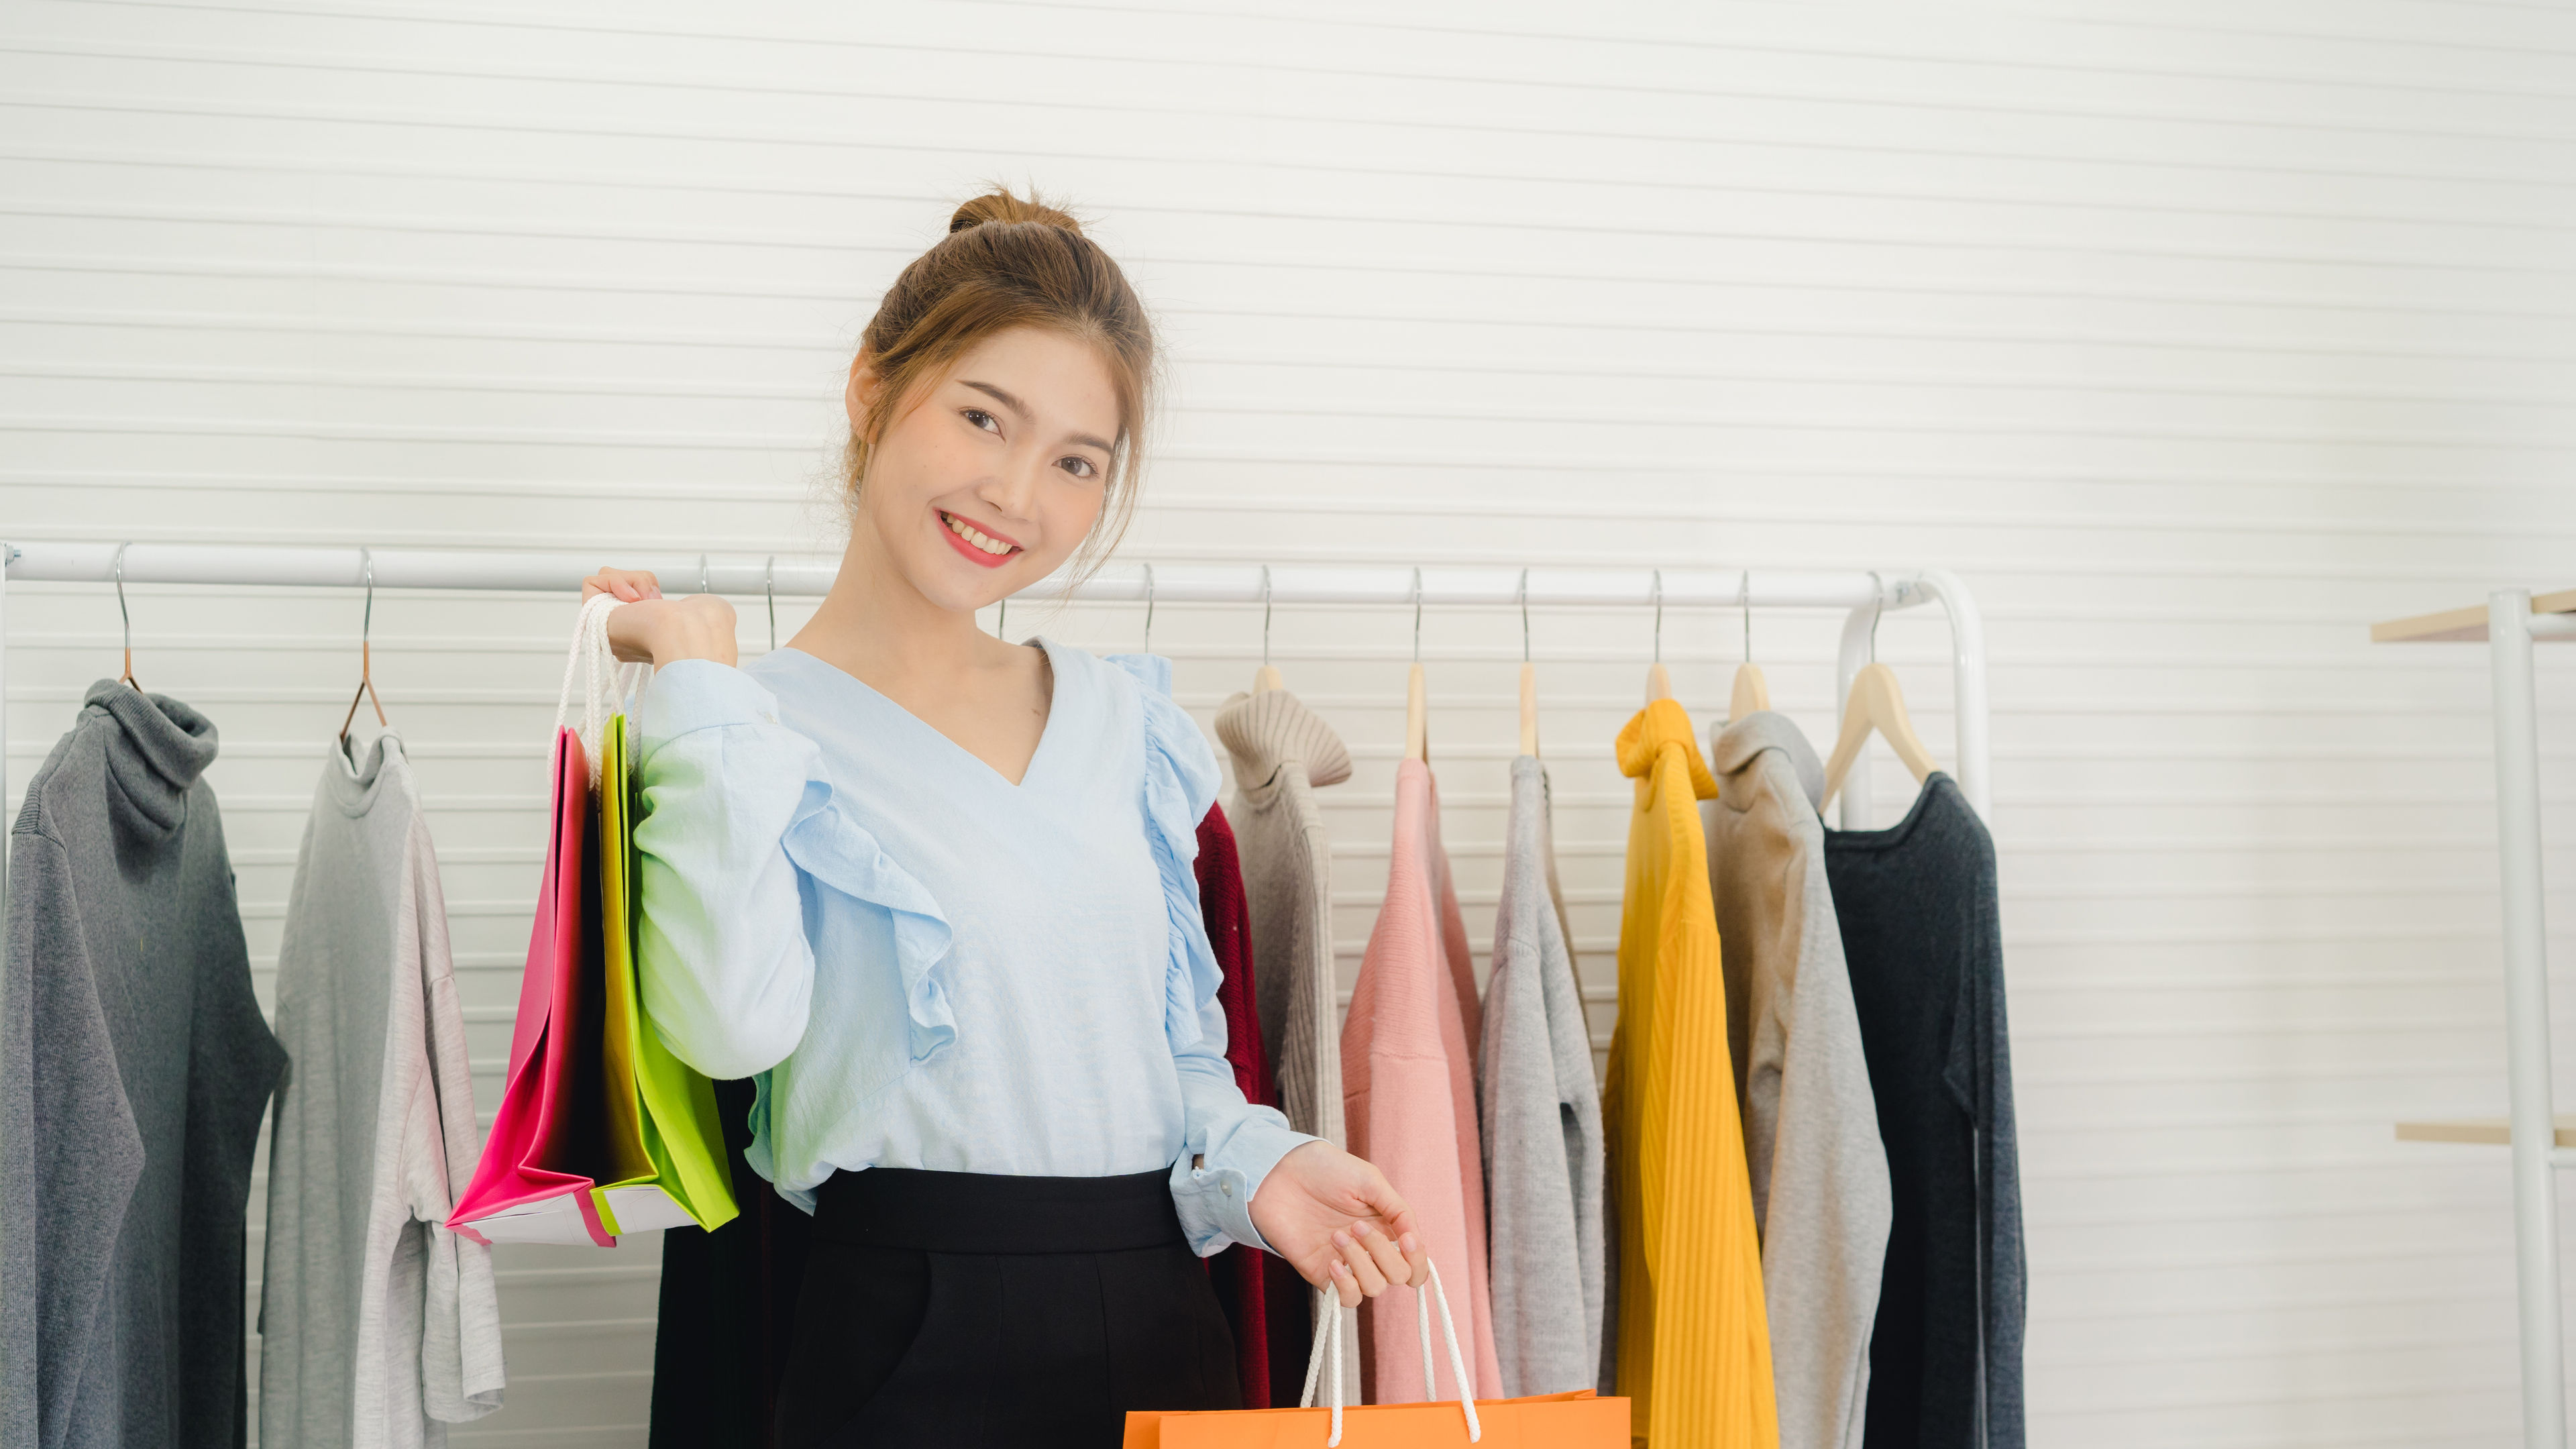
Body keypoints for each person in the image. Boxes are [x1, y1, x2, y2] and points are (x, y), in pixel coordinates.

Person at [582, 188, 1428, 1447]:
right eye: (985, 417)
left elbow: (1178, 1061)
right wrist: (698, 690)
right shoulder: (741, 730)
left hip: (1157, 1316)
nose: (1017, 494)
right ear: (872, 391)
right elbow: (726, 1030)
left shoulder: (1127, 725)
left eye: (1077, 462)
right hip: (895, 1333)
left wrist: (1264, 1168)